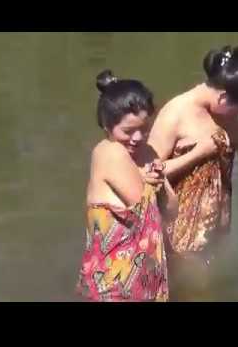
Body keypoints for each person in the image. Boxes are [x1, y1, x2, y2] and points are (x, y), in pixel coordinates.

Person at [147, 45, 238, 258]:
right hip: (177, 229)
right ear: (223, 99)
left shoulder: (222, 114)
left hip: (214, 223)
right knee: (184, 287)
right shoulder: (175, 114)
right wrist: (198, 153)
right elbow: (148, 173)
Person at [76, 70, 178, 302]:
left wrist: (160, 182)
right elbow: (143, 205)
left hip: (145, 278)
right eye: (128, 131)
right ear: (106, 126)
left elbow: (172, 212)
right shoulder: (110, 152)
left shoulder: (148, 153)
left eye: (144, 128)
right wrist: (149, 178)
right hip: (114, 284)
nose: (138, 138)